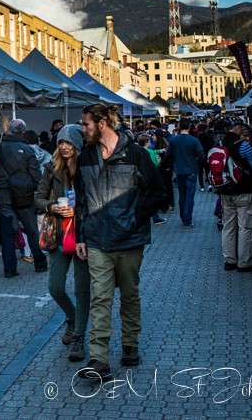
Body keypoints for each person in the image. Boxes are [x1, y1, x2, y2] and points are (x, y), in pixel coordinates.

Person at [74, 104, 166, 378]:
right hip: (97, 241)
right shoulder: (85, 158)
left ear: (102, 123)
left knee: (128, 295)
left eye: (86, 124)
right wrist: (81, 236)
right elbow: (81, 200)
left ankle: (129, 345)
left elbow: (158, 193)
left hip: (129, 241)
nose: (83, 129)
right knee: (100, 298)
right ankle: (98, 359)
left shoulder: (135, 155)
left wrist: (133, 220)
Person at [36, 124, 89, 362]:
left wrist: (77, 211)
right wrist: (51, 207)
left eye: (69, 143)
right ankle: (72, 317)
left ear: (78, 145)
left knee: (81, 289)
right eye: (61, 142)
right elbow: (37, 198)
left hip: (82, 238)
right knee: (55, 287)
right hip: (58, 236)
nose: (65, 147)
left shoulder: (88, 168)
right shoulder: (50, 168)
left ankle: (78, 336)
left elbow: (96, 201)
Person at [0, 119, 48, 278]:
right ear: (22, 133)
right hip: (25, 197)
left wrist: (0, 190)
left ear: (9, 132)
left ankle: (9, 269)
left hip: (5, 198)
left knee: (8, 234)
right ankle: (40, 263)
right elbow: (36, 177)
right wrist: (35, 192)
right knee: (33, 231)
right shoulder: (27, 150)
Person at [220, 124, 252, 272]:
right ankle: (244, 262)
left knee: (228, 226)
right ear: (238, 129)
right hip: (244, 190)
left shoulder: (219, 144)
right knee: (246, 226)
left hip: (225, 191)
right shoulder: (243, 146)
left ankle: (229, 260)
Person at [165, 119, 206, 228]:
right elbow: (201, 156)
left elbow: (168, 154)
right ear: (189, 127)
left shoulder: (173, 139)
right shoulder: (194, 140)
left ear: (179, 126)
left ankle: (183, 217)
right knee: (189, 195)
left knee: (182, 195)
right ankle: (187, 219)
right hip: (191, 170)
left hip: (179, 170)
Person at [136, 134, 166, 225]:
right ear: (146, 142)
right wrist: (159, 162)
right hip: (150, 178)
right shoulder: (150, 152)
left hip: (140, 177)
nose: (150, 143)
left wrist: (159, 151)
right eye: (149, 142)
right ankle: (156, 218)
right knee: (151, 198)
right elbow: (154, 165)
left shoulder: (137, 151)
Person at [196, 122, 215, 192]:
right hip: (207, 155)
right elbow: (212, 145)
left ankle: (202, 187)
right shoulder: (208, 136)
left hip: (199, 156)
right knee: (208, 170)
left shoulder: (197, 137)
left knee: (200, 172)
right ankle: (210, 184)